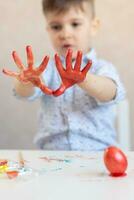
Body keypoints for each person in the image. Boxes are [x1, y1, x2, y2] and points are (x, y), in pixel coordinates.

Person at [4, 0, 125, 151]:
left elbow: (110, 93)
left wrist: (83, 78)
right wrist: (27, 82)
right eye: (56, 27)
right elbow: (24, 94)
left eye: (75, 24)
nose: (65, 34)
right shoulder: (47, 68)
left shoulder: (102, 68)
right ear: (48, 29)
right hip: (51, 156)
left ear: (93, 27)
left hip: (98, 155)